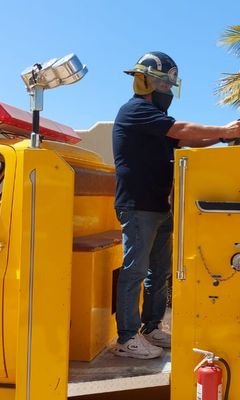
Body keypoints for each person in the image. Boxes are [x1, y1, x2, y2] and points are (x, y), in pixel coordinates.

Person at [112, 51, 240, 359]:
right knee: (135, 270)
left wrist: (224, 137)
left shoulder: (155, 123)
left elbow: (188, 141)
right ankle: (127, 338)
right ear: (145, 82)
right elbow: (180, 130)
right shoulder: (135, 112)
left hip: (159, 206)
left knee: (160, 270)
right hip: (138, 206)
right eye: (164, 85)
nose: (167, 92)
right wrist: (225, 131)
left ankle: (151, 327)